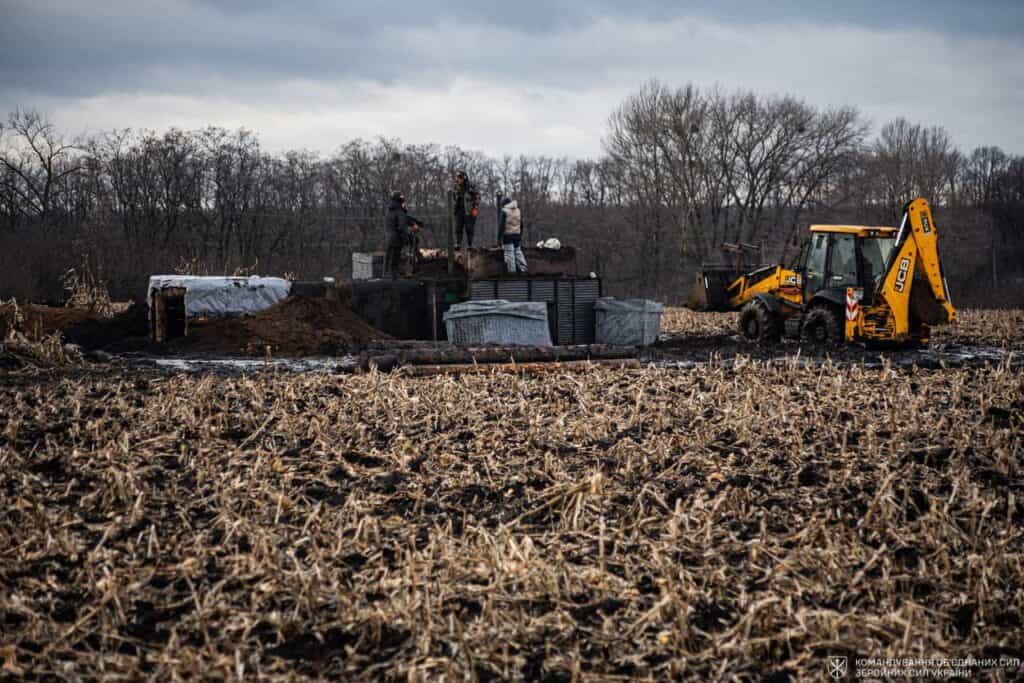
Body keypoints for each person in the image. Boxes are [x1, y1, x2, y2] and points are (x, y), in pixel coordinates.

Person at [385, 192, 421, 279]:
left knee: (390, 256)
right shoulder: (400, 211)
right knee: (413, 240)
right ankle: (417, 259)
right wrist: (405, 238)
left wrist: (415, 223)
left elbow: (406, 219)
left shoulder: (390, 210)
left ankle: (388, 273)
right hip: (398, 237)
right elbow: (401, 226)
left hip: (390, 237)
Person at [498, 197, 527, 274]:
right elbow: (521, 224)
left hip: (507, 236)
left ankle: (512, 272)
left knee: (509, 254)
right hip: (517, 235)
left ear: (504, 204)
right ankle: (523, 269)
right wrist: (520, 235)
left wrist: (499, 239)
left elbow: (501, 226)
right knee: (518, 252)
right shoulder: (518, 210)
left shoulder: (504, 211)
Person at [452, 170, 480, 248]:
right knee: (458, 227)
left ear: (464, 178)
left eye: (459, 178)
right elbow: (454, 196)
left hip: (469, 210)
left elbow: (477, 197)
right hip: (459, 210)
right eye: (457, 178)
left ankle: (470, 244)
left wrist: (475, 207)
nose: (458, 180)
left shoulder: (471, 186)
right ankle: (458, 243)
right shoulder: (456, 186)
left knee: (469, 228)